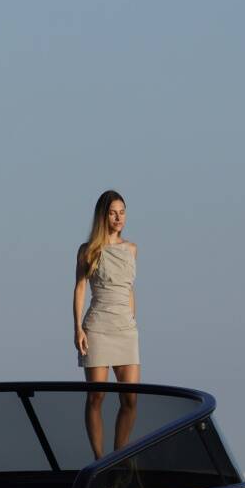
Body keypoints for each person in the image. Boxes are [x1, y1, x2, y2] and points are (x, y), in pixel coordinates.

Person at [73, 189, 140, 458]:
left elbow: (129, 288)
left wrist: (132, 317)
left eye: (122, 212)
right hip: (98, 327)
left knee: (131, 399)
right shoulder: (88, 250)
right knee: (96, 397)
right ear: (103, 215)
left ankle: (119, 458)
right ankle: (100, 460)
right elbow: (79, 289)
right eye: (113, 212)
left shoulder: (132, 249)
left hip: (125, 329)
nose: (118, 217)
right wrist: (77, 328)